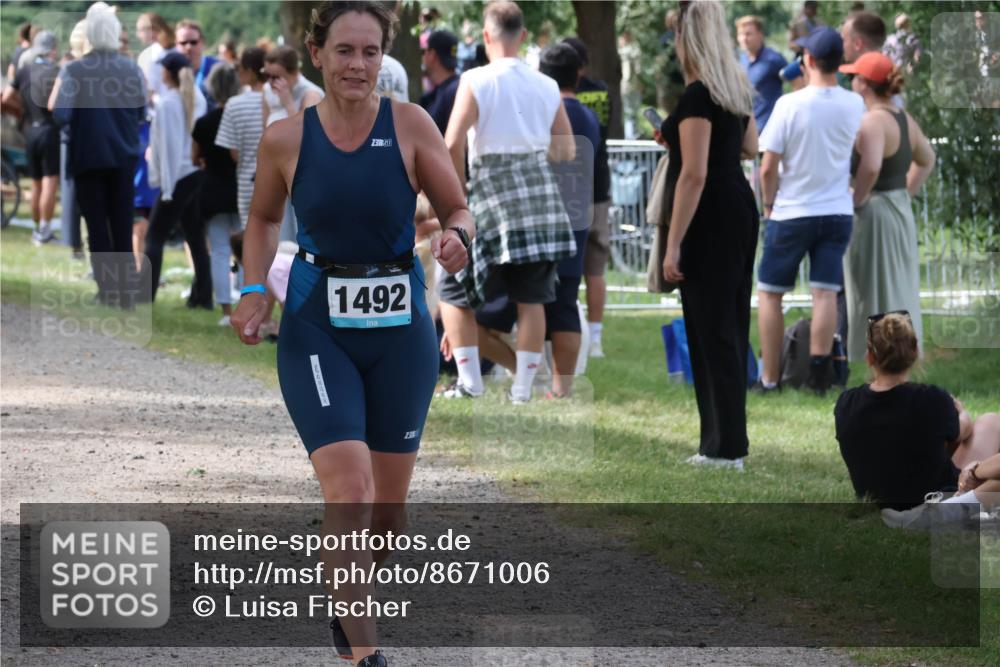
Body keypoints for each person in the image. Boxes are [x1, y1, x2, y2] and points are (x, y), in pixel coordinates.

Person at [229, 3, 473, 665]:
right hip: (316, 329)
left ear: (383, 57)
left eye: (370, 52)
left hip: (402, 335)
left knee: (388, 517)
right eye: (344, 51)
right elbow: (260, 221)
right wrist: (253, 290)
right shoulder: (286, 138)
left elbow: (457, 207)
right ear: (317, 54)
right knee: (351, 488)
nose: (357, 65)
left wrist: (455, 237)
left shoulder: (412, 125)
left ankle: (345, 596)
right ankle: (367, 656)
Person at [439, 0, 576, 403]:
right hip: (538, 199)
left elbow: (451, 143)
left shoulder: (475, 79)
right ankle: (521, 392)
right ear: (523, 37)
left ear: (485, 36)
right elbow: (567, 150)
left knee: (454, 289)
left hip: (489, 200)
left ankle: (470, 382)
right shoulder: (547, 85)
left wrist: (455, 200)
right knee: (532, 299)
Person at [652, 0, 758, 470]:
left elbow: (692, 175)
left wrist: (673, 245)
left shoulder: (697, 96)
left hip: (709, 212)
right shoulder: (734, 89)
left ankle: (726, 447)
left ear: (687, 39)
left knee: (710, 329)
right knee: (728, 325)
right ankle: (720, 442)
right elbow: (749, 147)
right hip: (737, 204)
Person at [755, 27, 865, 395]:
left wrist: (768, 204)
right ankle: (819, 378)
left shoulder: (790, 104)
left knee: (771, 294)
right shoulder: (854, 104)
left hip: (792, 210)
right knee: (825, 294)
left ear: (809, 60)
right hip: (836, 210)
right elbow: (864, 155)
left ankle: (770, 379)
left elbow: (768, 166)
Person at [835, 312, 1000, 518]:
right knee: (991, 422)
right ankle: (959, 506)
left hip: (878, 500)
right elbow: (961, 433)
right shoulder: (932, 399)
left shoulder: (846, 402)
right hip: (936, 496)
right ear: (915, 352)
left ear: (869, 356)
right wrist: (962, 413)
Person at [50, 2, 147, 307]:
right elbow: (142, 111)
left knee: (96, 226)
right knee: (121, 223)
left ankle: (107, 290)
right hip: (124, 157)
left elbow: (62, 115)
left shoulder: (75, 70)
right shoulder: (131, 68)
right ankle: (127, 294)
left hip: (89, 156)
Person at [840, 52, 935, 363]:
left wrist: (857, 199)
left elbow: (869, 167)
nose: (851, 81)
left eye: (855, 76)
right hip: (898, 208)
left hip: (876, 212)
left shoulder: (872, 121)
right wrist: (906, 192)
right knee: (898, 283)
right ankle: (899, 352)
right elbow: (928, 159)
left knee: (873, 286)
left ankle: (877, 354)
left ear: (864, 84)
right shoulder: (904, 119)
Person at [143, 51, 209, 306]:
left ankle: (145, 294)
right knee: (194, 235)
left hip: (178, 177)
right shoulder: (197, 98)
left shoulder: (167, 103)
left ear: (168, 74)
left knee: (154, 237)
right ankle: (202, 296)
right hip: (193, 173)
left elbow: (166, 147)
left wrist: (165, 182)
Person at [562, 36, 613, 359]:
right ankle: (595, 338)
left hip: (569, 190)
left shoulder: (558, 96)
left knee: (565, 270)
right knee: (596, 268)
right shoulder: (602, 91)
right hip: (599, 187)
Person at [193, 62, 242, 325]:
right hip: (241, 188)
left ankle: (226, 311)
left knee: (220, 251)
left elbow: (194, 156)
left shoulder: (204, 123)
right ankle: (248, 306)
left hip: (213, 191)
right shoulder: (244, 115)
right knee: (246, 251)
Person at [261, 45, 324, 244]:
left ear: (293, 72)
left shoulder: (310, 93)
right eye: (267, 76)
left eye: (276, 77)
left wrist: (288, 102)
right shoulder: (267, 91)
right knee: (279, 234)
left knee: (301, 233)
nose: (270, 82)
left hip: (302, 172)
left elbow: (306, 135)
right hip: (275, 170)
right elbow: (265, 129)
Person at [3, 31, 61, 245]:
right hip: (49, 129)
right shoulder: (57, 71)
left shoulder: (24, 71)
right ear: (52, 49)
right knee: (49, 182)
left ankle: (37, 230)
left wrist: (22, 111)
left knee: (35, 184)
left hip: (30, 130)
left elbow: (7, 96)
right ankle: (44, 229)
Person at [215, 47, 267, 228]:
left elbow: (234, 154)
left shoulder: (234, 104)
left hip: (248, 183)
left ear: (249, 72)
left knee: (252, 238)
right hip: (280, 183)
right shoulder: (280, 99)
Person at [736, 15, 787, 132]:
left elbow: (798, 81)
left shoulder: (773, 59)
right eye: (740, 34)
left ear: (760, 35)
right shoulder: (740, 60)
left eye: (748, 34)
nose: (744, 38)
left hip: (770, 130)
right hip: (746, 131)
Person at [418, 30, 459, 135]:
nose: (423, 56)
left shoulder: (453, 92)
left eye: (424, 51)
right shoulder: (433, 95)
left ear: (432, 55)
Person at [175, 19, 219, 108]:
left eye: (193, 42)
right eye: (183, 43)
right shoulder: (169, 72)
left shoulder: (217, 68)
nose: (188, 47)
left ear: (202, 42)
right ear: (176, 44)